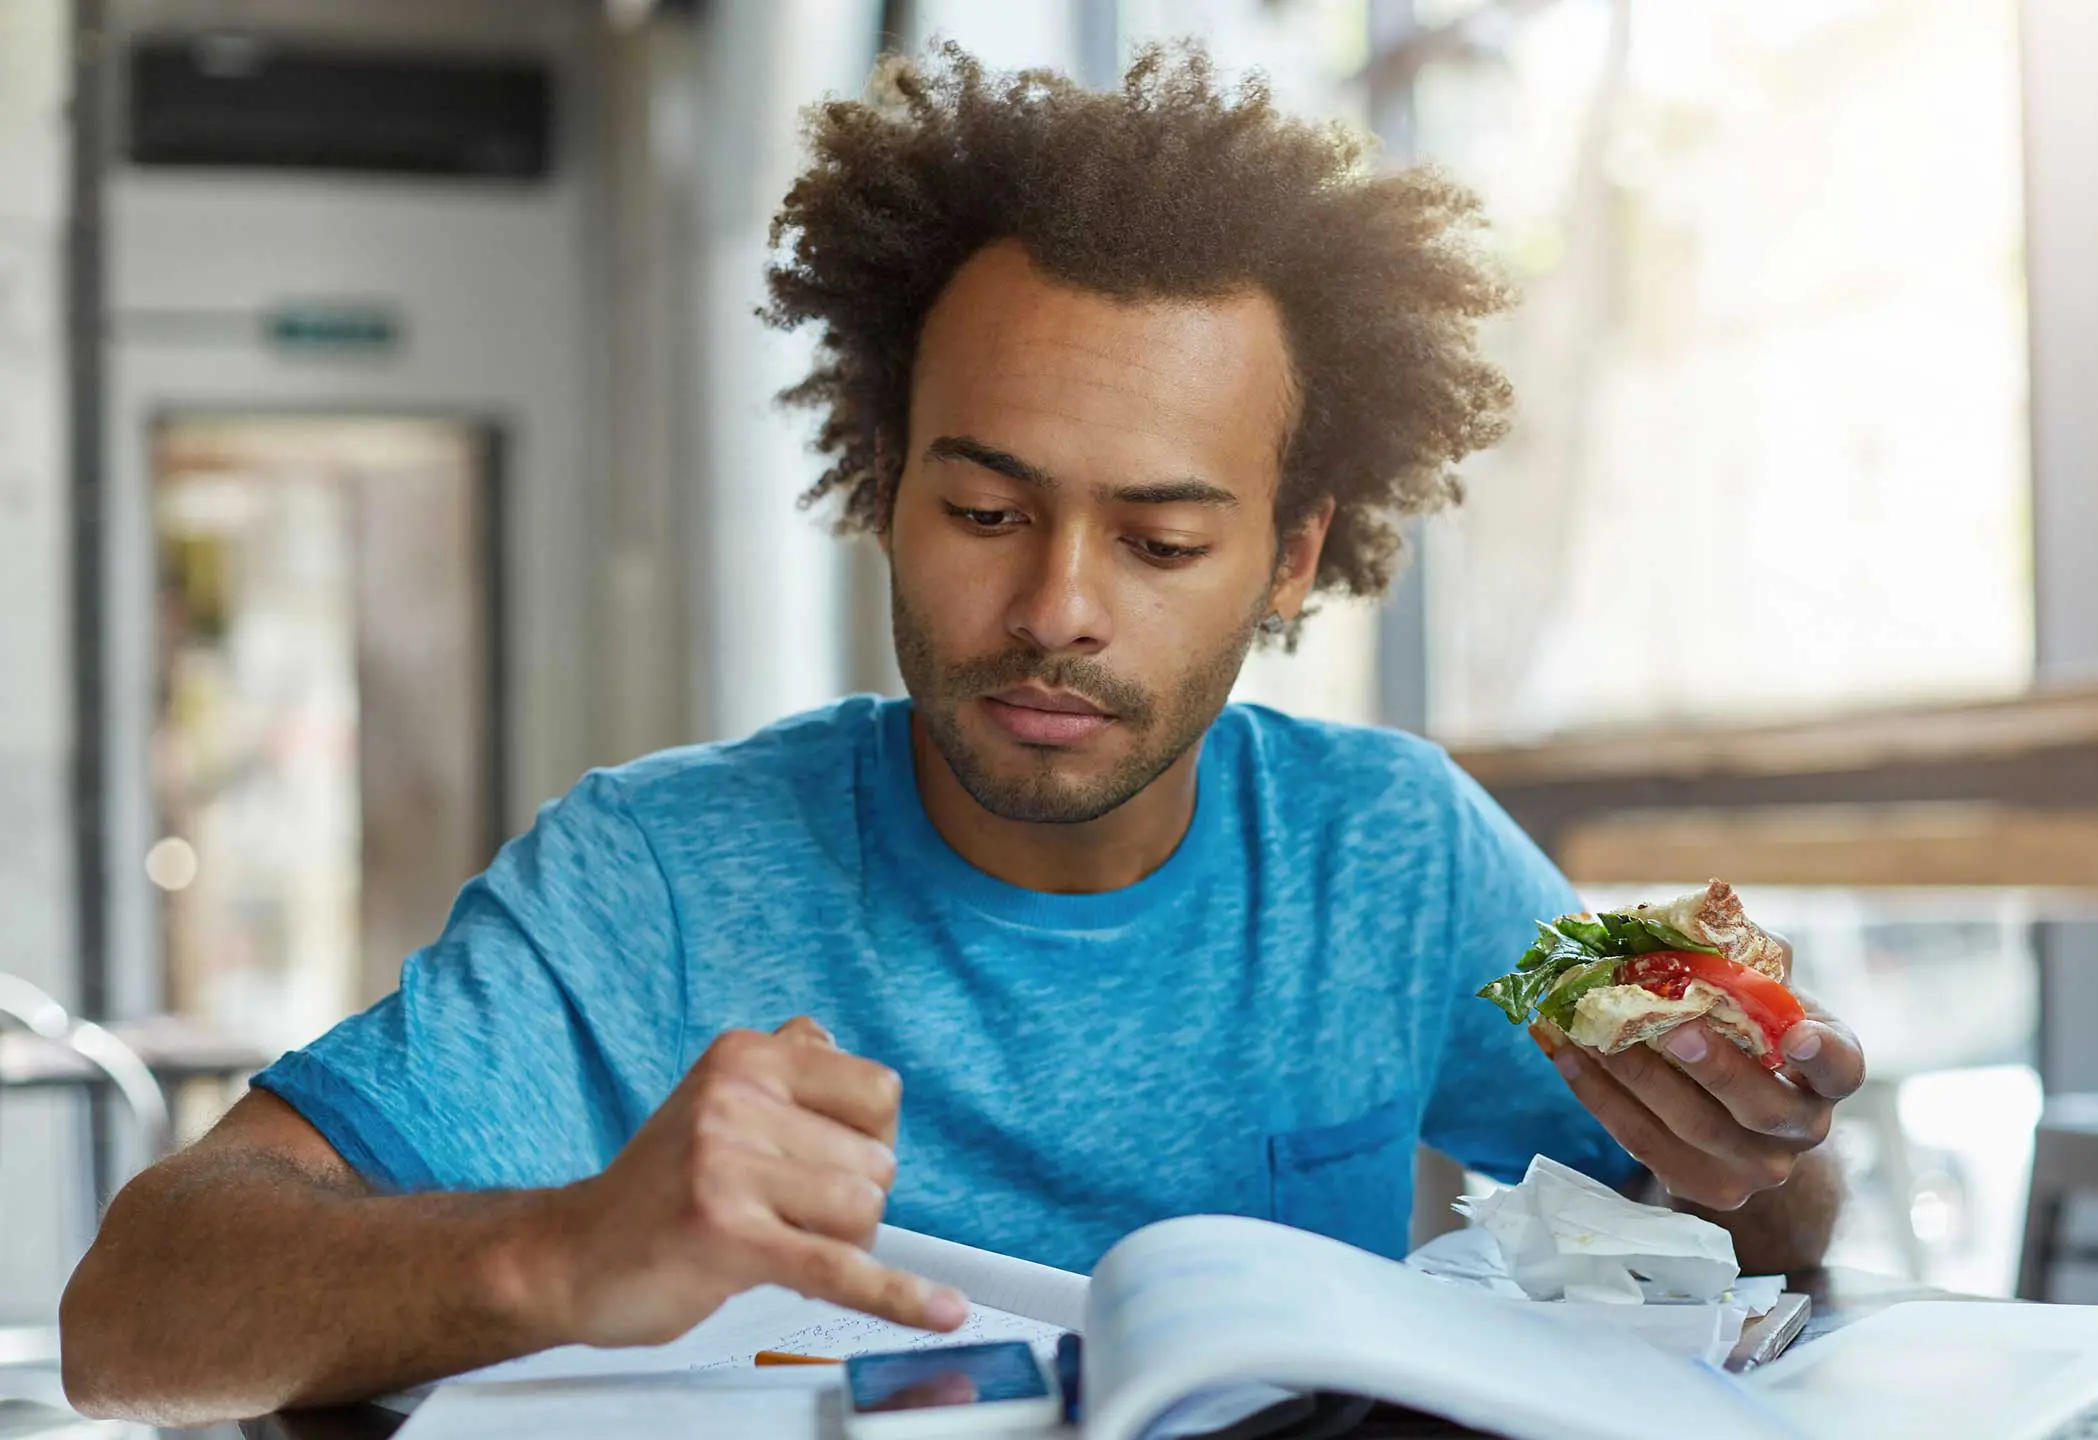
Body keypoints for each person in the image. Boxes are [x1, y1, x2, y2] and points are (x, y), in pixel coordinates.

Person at [60, 43, 1864, 1425]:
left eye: (1160, 541)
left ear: (1293, 554)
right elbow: (130, 1311)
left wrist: (1762, 1155)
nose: (1060, 606)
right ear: (885, 481)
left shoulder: (1393, 840)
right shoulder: (654, 878)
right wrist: (567, 1249)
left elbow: (1755, 1227)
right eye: (986, 512)